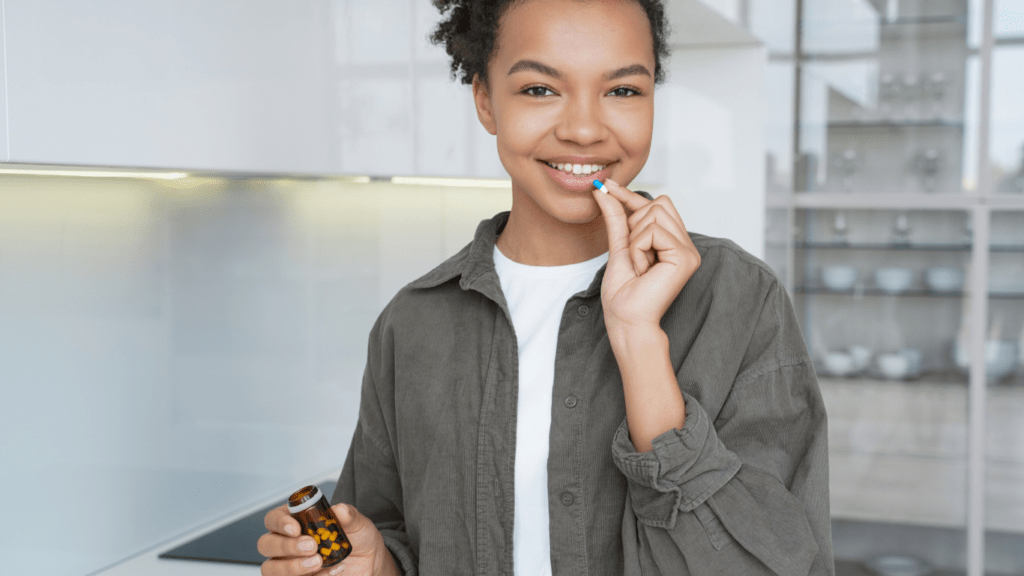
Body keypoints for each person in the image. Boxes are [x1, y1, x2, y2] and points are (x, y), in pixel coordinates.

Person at [258, 0, 834, 574]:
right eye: (539, 89)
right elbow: (398, 539)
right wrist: (378, 565)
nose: (583, 129)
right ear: (485, 100)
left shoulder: (738, 300)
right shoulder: (410, 325)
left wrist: (640, 345)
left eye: (623, 91)